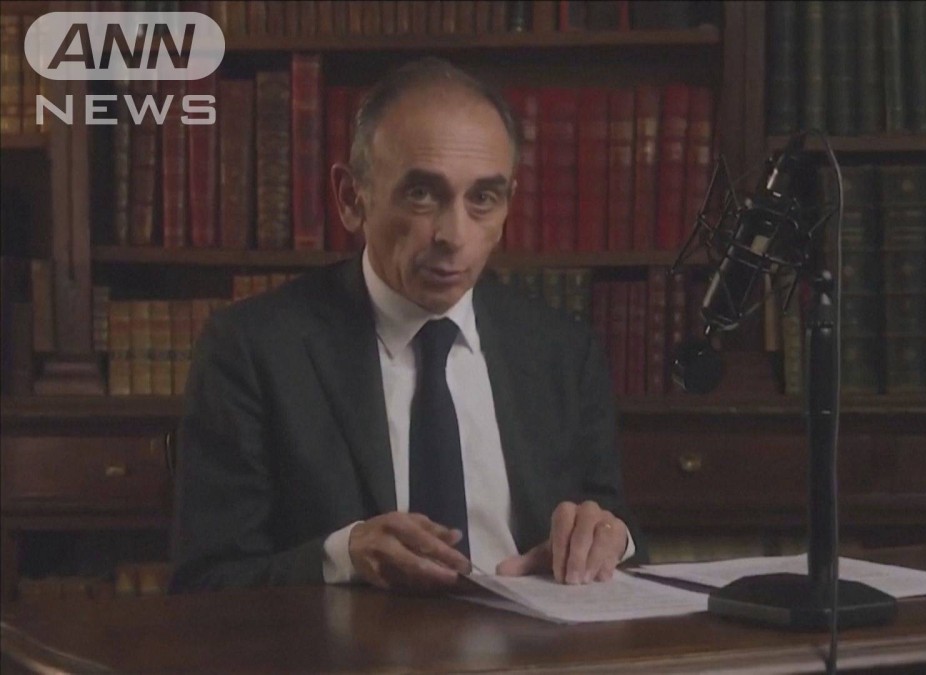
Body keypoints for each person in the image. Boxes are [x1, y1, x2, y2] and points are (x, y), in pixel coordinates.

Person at [170, 58, 642, 593]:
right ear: (352, 199)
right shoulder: (252, 348)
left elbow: (619, 536)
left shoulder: (563, 351)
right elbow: (204, 583)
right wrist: (342, 556)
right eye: (422, 194)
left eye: (482, 198)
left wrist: (610, 540)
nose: (453, 236)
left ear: (509, 203)